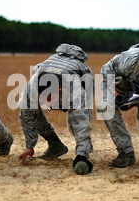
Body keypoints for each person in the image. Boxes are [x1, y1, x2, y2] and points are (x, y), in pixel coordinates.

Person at [18, 43, 95, 175]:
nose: (45, 102)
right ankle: (55, 145)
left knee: (74, 121)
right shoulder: (33, 83)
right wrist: (29, 146)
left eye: (49, 99)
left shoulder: (75, 87)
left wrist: (81, 157)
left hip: (83, 80)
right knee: (30, 108)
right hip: (52, 75)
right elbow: (27, 114)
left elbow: (82, 122)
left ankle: (84, 148)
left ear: (60, 90)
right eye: (42, 98)